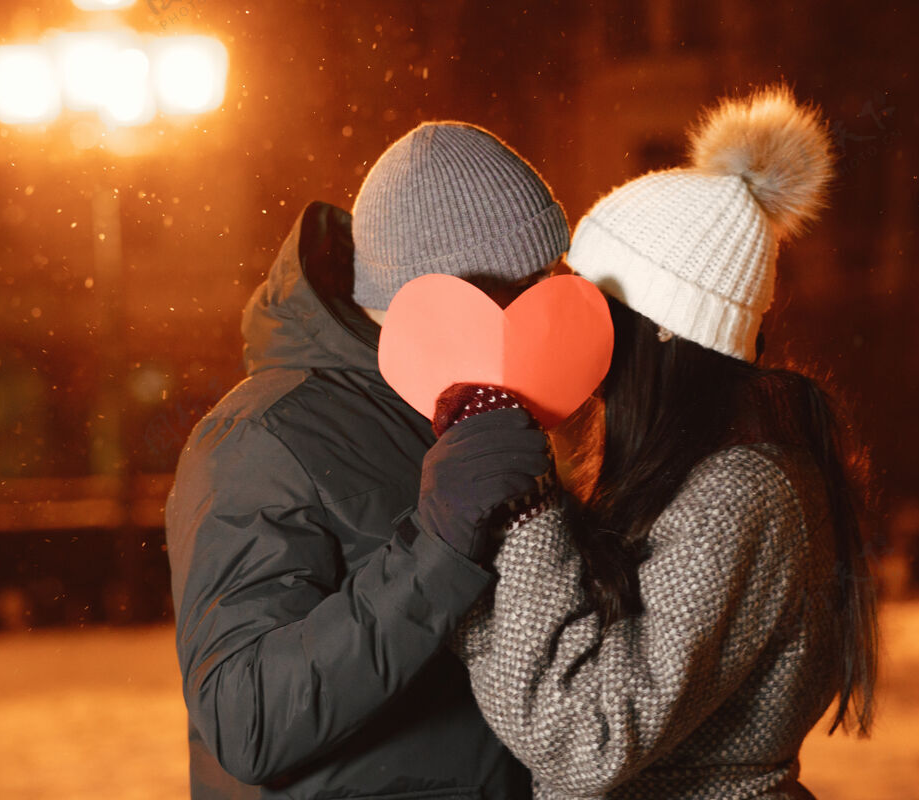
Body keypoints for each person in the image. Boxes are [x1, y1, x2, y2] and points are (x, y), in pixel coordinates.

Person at [417, 87, 880, 799]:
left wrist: (517, 514)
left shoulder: (741, 492)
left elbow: (581, 741)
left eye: (581, 309)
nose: (557, 331)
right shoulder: (680, 472)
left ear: (649, 335)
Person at [164, 121, 565, 799]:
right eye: (525, 287)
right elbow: (246, 719)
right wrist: (436, 550)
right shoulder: (262, 436)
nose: (543, 309)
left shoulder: (484, 402)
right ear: (444, 292)